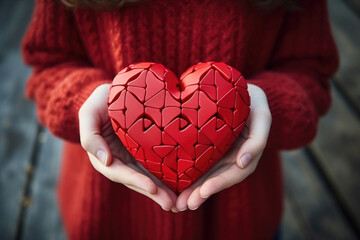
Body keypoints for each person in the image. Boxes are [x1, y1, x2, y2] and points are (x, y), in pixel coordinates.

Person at [22, 0, 339, 239]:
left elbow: (310, 73)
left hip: (242, 221)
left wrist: (265, 104)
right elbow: (48, 63)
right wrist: (83, 100)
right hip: (106, 217)